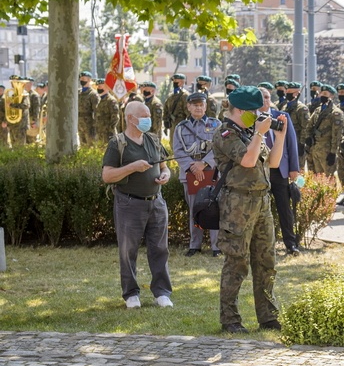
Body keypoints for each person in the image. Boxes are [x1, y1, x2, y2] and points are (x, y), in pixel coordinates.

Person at [211, 85, 287, 334]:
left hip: (261, 202)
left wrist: (280, 136)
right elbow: (247, 160)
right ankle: (230, 319)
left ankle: (268, 316)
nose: (259, 115)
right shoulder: (225, 133)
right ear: (241, 110)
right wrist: (258, 134)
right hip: (238, 205)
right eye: (255, 111)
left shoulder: (250, 132)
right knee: (236, 262)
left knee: (266, 261)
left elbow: (273, 163)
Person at [101, 101, 174, 309]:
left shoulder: (153, 139)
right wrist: (132, 167)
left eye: (149, 115)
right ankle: (131, 294)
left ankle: (162, 292)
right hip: (129, 203)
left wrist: (165, 176)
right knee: (128, 250)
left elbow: (165, 167)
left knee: (160, 248)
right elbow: (107, 175)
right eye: (144, 116)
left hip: (156, 202)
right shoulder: (117, 143)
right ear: (131, 118)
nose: (148, 119)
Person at [172, 91, 221, 257]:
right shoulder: (180, 128)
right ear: (188, 106)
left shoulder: (216, 125)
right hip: (190, 174)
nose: (198, 108)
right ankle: (195, 245)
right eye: (195, 105)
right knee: (194, 209)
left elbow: (220, 148)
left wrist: (204, 163)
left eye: (201, 105)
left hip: (212, 173)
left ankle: (216, 246)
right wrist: (193, 167)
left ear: (206, 106)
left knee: (215, 208)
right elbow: (178, 151)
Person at [259, 86, 302, 255]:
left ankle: (290, 244)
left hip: (280, 170)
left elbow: (291, 143)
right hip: (260, 170)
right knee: (261, 208)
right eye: (261, 97)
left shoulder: (282, 117)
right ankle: (264, 244)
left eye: (267, 97)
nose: (264, 100)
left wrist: (294, 168)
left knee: (284, 208)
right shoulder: (250, 119)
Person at [307, 84, 344, 176]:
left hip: (327, 150)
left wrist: (333, 152)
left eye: (325, 93)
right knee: (317, 178)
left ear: (331, 96)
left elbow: (337, 135)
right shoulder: (317, 110)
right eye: (321, 93)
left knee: (329, 179)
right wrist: (308, 139)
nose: (322, 95)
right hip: (316, 148)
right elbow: (309, 126)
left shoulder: (336, 113)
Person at [163, 73, 189, 139]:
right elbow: (166, 108)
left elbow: (189, 112)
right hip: (172, 124)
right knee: (172, 144)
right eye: (173, 81)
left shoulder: (185, 95)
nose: (174, 83)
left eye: (176, 81)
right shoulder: (171, 96)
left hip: (181, 125)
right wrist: (165, 120)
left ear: (182, 82)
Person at [77, 71, 98, 146]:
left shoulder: (93, 94)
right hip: (79, 122)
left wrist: (95, 125)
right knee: (82, 143)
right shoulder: (78, 93)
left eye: (83, 78)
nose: (81, 80)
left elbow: (96, 110)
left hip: (89, 123)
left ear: (89, 80)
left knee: (90, 144)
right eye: (80, 78)